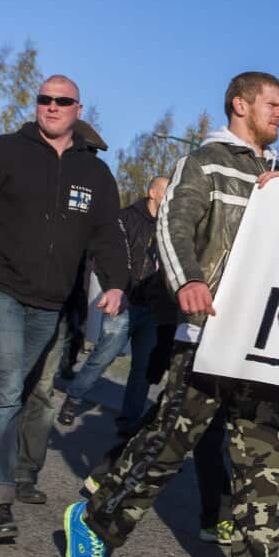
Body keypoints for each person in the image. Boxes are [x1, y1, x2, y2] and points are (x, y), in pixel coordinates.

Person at [63, 71, 279, 557]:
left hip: (262, 346)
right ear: (240, 104)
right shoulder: (203, 162)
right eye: (272, 104)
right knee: (167, 444)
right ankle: (95, 522)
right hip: (207, 338)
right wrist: (187, 279)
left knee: (265, 463)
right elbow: (173, 224)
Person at [0, 75, 127, 544]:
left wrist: (117, 284)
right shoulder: (4, 152)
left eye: (62, 101)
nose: (51, 107)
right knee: (6, 390)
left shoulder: (95, 174)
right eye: (43, 99)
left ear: (79, 108)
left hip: (50, 301)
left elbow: (108, 236)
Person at [59, 175, 175, 430]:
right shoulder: (126, 219)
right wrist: (117, 288)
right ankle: (73, 397)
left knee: (142, 367)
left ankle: (129, 419)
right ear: (153, 193)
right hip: (126, 302)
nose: (171, 198)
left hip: (153, 308)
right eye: (167, 192)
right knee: (104, 355)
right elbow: (106, 256)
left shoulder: (171, 226)